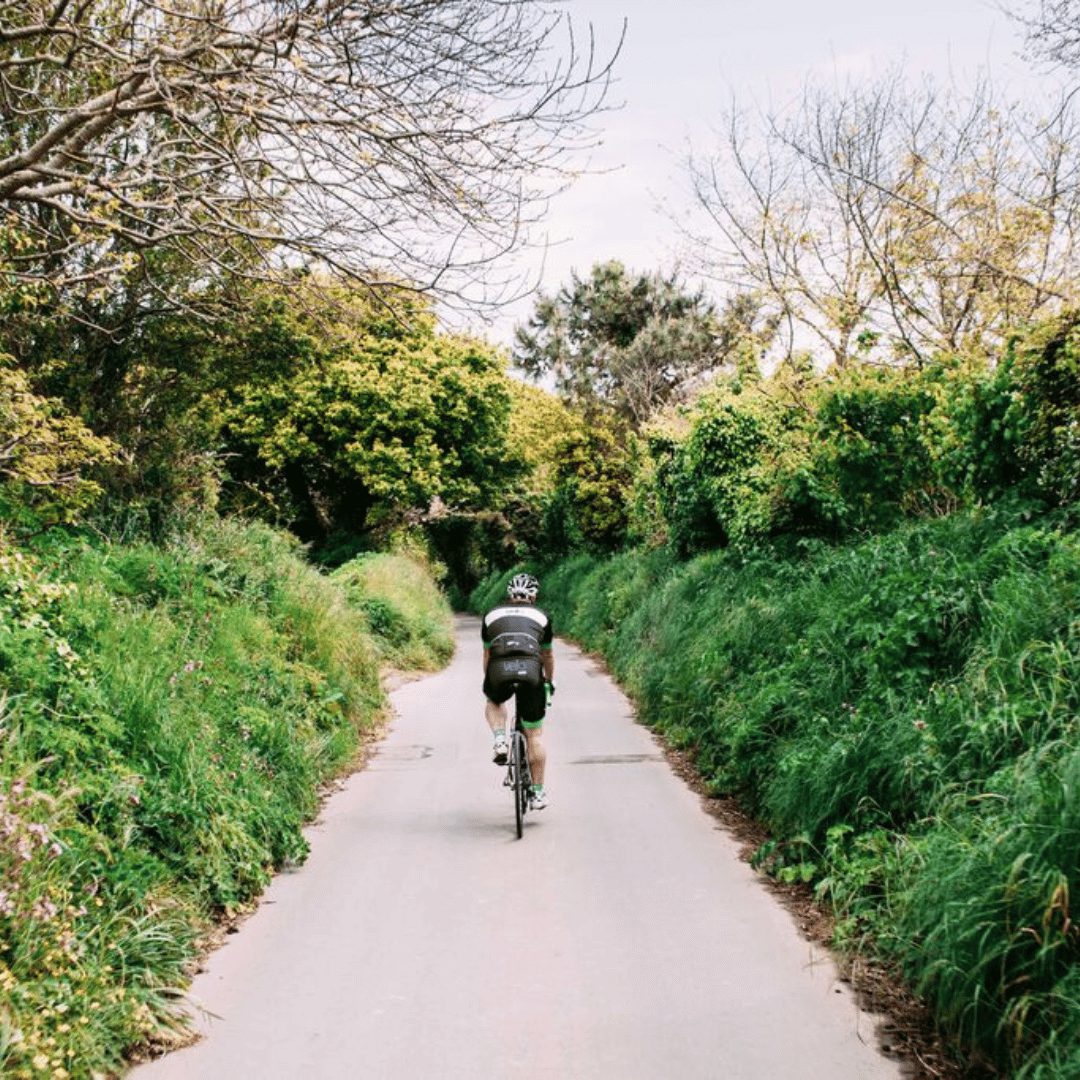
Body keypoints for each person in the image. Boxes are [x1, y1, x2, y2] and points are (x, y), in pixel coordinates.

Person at [480, 572, 555, 810]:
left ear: (510, 595)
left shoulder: (491, 615)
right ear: (533, 596)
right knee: (534, 735)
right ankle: (539, 793)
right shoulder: (542, 616)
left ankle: (500, 739)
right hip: (532, 671)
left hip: (499, 669)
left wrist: (489, 681)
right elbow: (547, 655)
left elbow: (487, 654)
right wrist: (548, 681)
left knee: (494, 701)